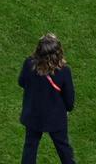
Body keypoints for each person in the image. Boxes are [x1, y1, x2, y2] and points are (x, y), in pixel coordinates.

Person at [19, 33, 77, 164]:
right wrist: (67, 109)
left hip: (33, 115)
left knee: (30, 147)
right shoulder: (64, 71)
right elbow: (69, 101)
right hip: (55, 118)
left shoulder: (29, 64)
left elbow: (21, 82)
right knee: (64, 148)